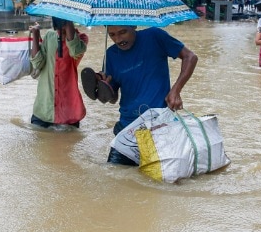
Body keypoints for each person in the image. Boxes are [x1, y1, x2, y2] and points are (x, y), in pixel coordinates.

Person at [83, 26, 198, 165]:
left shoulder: (155, 36)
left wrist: (176, 91)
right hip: (126, 128)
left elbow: (190, 57)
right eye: (112, 35)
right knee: (114, 175)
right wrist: (103, 86)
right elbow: (113, 99)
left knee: (164, 179)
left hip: (159, 126)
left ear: (133, 26)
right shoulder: (111, 55)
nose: (118, 39)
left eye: (123, 32)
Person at [28, 17, 89, 128]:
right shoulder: (50, 36)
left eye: (64, 18)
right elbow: (37, 64)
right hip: (44, 110)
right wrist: (35, 35)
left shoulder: (81, 39)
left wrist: (68, 23)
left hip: (69, 113)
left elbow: (75, 51)